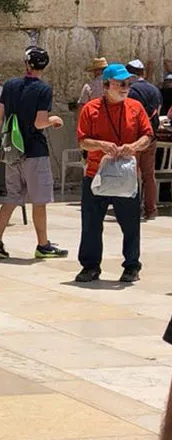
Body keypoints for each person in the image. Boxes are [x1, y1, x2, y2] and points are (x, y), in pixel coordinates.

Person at [0, 46, 68, 261]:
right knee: (39, 200)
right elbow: (40, 122)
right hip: (34, 151)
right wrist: (54, 120)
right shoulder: (43, 90)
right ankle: (43, 245)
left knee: (12, 196)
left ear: (26, 64)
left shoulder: (10, 86)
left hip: (12, 150)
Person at [75, 63, 153, 283]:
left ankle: (131, 266)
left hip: (126, 176)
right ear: (107, 85)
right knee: (91, 223)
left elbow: (147, 136)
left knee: (130, 224)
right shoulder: (91, 109)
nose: (125, 87)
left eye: (127, 83)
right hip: (96, 174)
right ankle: (90, 266)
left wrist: (134, 146)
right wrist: (100, 144)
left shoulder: (136, 107)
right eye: (120, 83)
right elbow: (83, 141)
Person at [125, 60, 162, 221]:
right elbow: (158, 110)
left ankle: (132, 208)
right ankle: (151, 210)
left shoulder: (131, 90)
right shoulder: (155, 89)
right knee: (149, 174)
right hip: (150, 136)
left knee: (131, 173)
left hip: (135, 137)